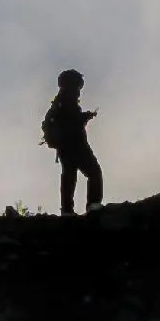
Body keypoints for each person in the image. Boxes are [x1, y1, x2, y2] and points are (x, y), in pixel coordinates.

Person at [41, 68, 103, 217]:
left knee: (69, 176)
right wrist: (85, 117)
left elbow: (68, 120)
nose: (79, 91)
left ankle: (67, 210)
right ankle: (93, 205)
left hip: (64, 147)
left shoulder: (58, 103)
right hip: (76, 145)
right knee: (94, 172)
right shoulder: (68, 100)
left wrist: (83, 117)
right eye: (78, 87)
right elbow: (72, 120)